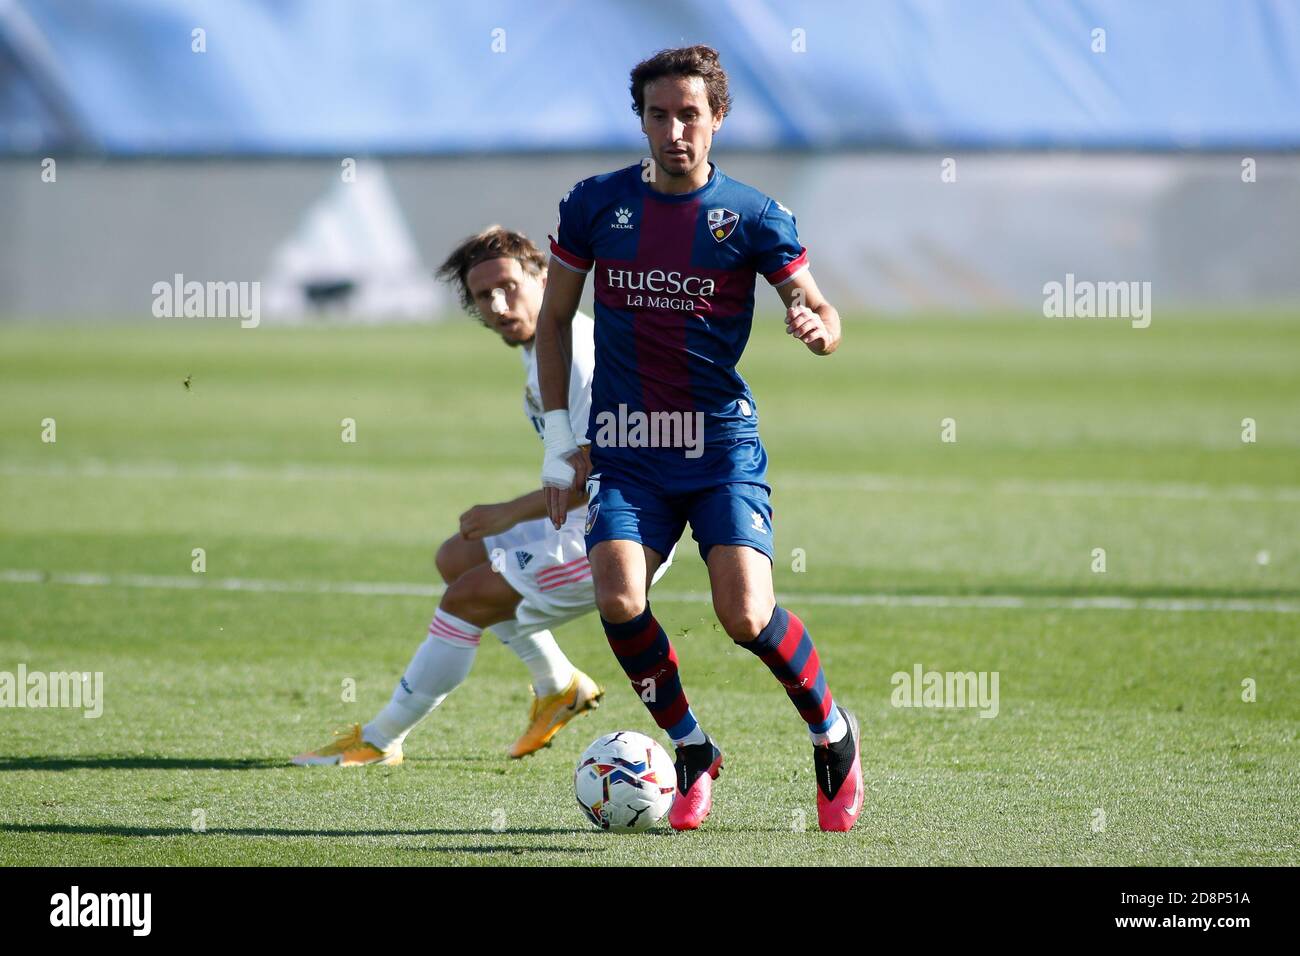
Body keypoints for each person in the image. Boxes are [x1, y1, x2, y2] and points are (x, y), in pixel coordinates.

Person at [534, 46, 863, 831]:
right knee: (618, 597)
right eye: (659, 114)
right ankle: (690, 747)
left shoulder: (752, 216)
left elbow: (822, 308)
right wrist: (558, 439)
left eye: (690, 114)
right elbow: (552, 321)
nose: (675, 129)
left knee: (745, 615)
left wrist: (817, 328)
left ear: (717, 117)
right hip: (627, 444)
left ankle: (832, 731)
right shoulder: (594, 205)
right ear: (641, 119)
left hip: (719, 447)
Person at [293, 226, 671, 766]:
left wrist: (507, 512)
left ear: (543, 277)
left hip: (623, 535)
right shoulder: (542, 345)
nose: (496, 304)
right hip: (585, 515)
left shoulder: (580, 354)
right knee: (458, 558)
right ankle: (559, 685)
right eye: (481, 295)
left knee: (466, 599)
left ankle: (379, 740)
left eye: (508, 287)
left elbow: (609, 470)